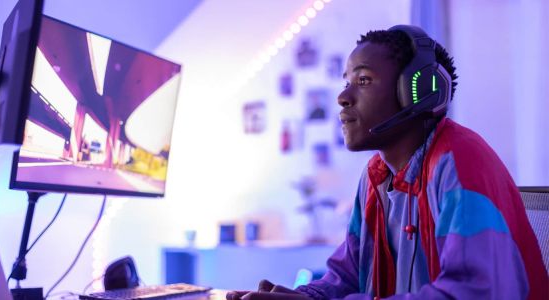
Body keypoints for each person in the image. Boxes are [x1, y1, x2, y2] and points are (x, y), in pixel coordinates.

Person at [227, 25, 548, 300]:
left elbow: (473, 292)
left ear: (420, 92)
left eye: (363, 80)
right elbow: (347, 275)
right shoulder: (376, 177)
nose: (343, 96)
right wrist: (304, 296)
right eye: (346, 80)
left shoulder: (460, 162)